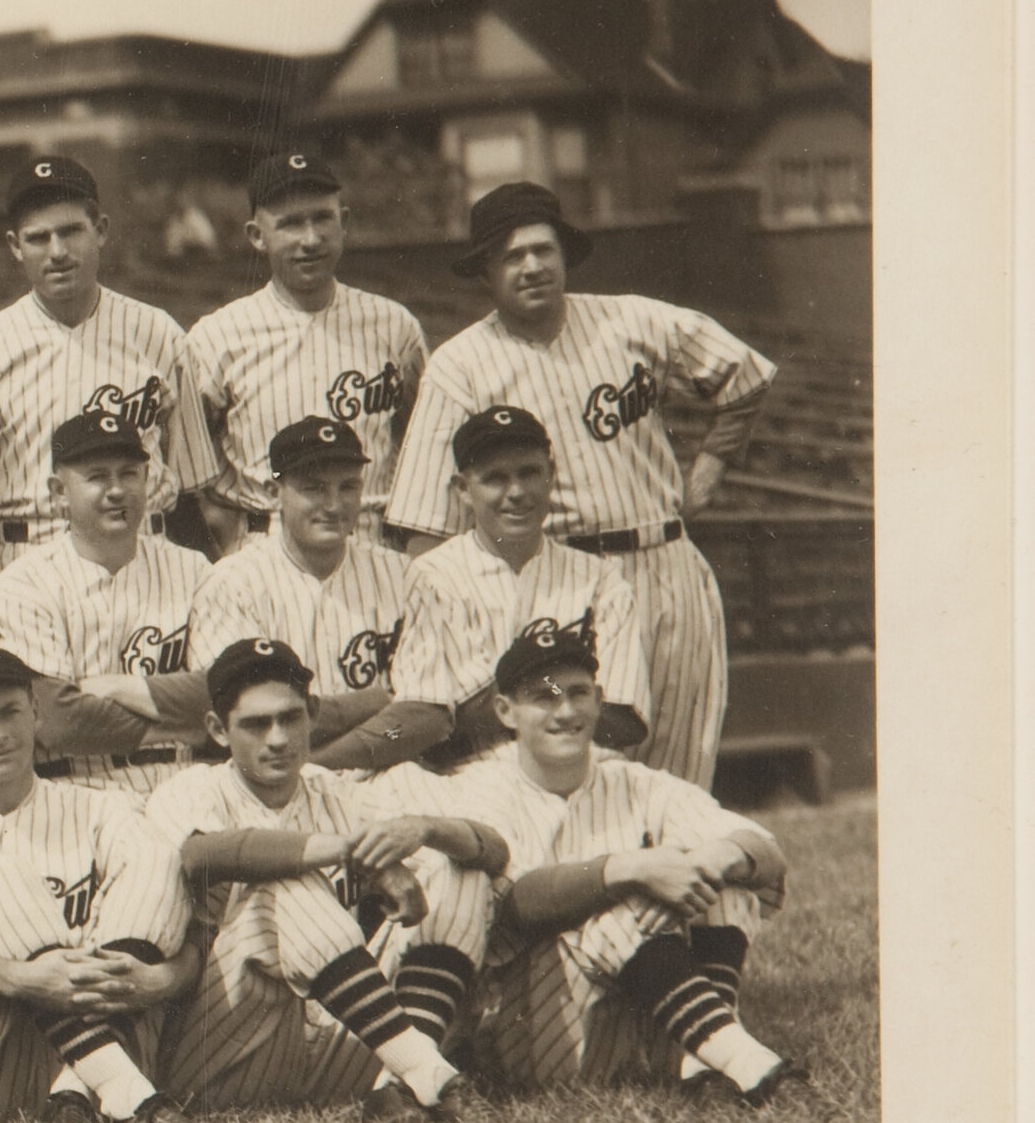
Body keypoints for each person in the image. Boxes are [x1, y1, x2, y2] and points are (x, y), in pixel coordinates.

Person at [386, 181, 774, 787]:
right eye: (511, 256)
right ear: (485, 270)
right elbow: (424, 526)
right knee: (576, 781)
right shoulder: (460, 367)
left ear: (564, 253)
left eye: (543, 249)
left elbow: (745, 375)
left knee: (680, 772)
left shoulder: (634, 320)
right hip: (561, 584)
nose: (532, 266)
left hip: (668, 563)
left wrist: (709, 471)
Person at [144, 639, 500, 1121]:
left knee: (460, 871)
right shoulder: (190, 789)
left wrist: (425, 829)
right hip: (223, 1046)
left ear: (311, 713)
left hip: (337, 1045)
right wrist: (351, 854)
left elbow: (494, 849)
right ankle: (427, 1071)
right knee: (284, 883)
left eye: (290, 718)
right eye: (256, 723)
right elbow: (204, 853)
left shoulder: (336, 793)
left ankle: (401, 1083)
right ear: (218, 730)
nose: (277, 738)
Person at [438, 628, 801, 1099]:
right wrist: (629, 869)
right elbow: (519, 904)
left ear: (599, 700)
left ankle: (706, 1058)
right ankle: (741, 1058)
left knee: (721, 876)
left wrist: (715, 859)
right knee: (615, 900)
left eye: (577, 693)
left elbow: (765, 851)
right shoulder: (479, 788)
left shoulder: (632, 782)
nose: (565, 712)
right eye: (542, 698)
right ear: (506, 711)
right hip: (528, 1025)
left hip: (631, 1009)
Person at [0, 648, 197, 1123]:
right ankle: (119, 1088)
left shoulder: (103, 809)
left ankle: (78, 1091)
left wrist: (163, 979)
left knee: (157, 855)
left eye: (10, 712)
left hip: (103, 1036)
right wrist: (20, 980)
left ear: (36, 711)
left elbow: (173, 914)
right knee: (1, 876)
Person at [0, 155, 217, 572]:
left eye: (71, 231)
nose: (57, 252)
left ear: (101, 231)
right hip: (29, 556)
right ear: (15, 247)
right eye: (38, 238)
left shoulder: (157, 332)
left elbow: (186, 492)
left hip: (145, 554)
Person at [183, 150, 427, 555]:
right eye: (290, 224)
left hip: (371, 538)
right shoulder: (217, 337)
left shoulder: (394, 326)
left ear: (344, 222)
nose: (310, 239)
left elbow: (424, 447)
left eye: (322, 218)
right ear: (257, 236)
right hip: (263, 541)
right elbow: (187, 467)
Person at [392, 404, 651, 771]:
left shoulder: (599, 579)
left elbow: (626, 717)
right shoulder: (433, 575)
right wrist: (571, 697)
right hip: (474, 774)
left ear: (551, 476)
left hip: (583, 773)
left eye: (529, 473)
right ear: (463, 489)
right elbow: (442, 715)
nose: (516, 491)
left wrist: (521, 706)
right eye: (495, 478)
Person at [187, 417, 439, 774]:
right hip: (275, 786)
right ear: (275, 493)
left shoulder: (404, 576)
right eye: (314, 488)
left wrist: (316, 764)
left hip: (388, 774)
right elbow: (248, 719)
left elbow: (428, 714)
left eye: (348, 487)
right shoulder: (233, 582)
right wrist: (380, 701)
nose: (334, 505)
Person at [0, 410, 213, 799]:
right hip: (74, 788)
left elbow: (226, 692)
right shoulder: (23, 585)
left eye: (129, 473)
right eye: (97, 476)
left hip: (183, 781)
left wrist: (110, 689)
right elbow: (56, 721)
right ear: (58, 491)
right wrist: (188, 721)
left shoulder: (194, 570)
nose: (117, 490)